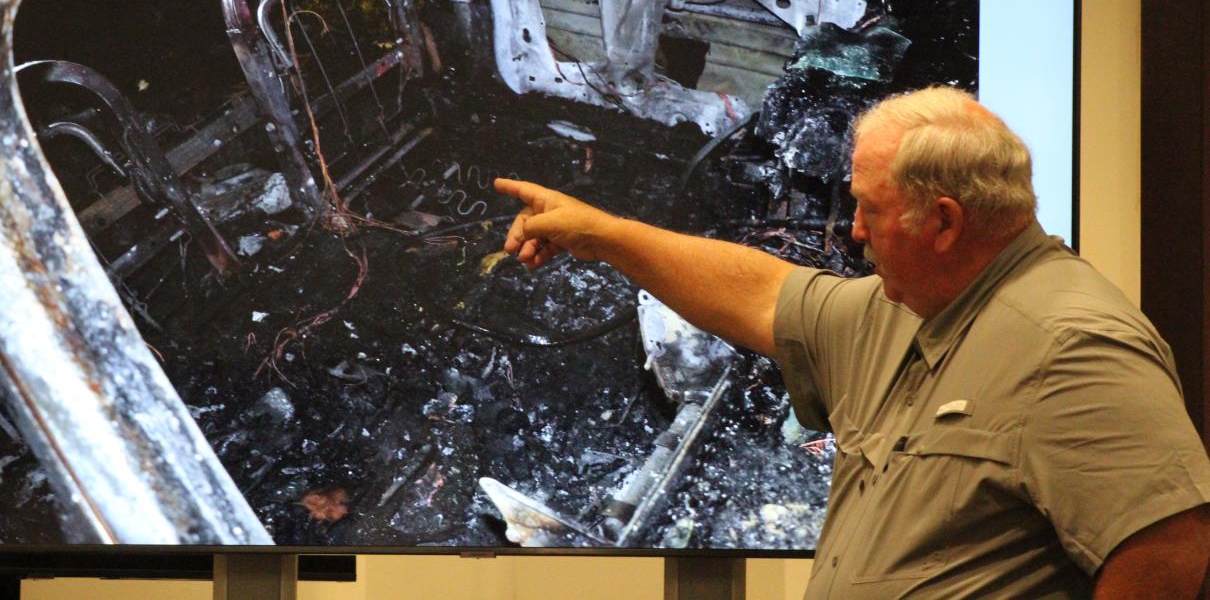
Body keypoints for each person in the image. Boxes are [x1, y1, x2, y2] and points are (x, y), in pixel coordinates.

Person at [494, 86, 1210, 597]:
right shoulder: (912, 310)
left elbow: (1172, 546)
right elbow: (761, 292)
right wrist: (604, 234)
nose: (854, 231)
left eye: (870, 209)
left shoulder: (1071, 346)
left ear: (945, 222)